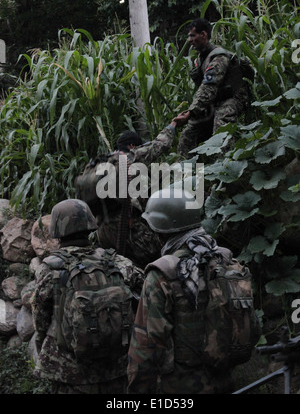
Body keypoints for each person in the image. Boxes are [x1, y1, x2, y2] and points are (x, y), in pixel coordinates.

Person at [127, 189, 259, 394]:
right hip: (225, 383)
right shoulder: (226, 261)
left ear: (160, 231)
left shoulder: (162, 274)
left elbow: (145, 351)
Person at [31, 199, 144, 394]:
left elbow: (40, 315)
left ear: (57, 230)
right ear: (90, 224)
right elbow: (143, 294)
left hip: (69, 371)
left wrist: (42, 343)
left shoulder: (51, 268)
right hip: (117, 368)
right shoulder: (117, 261)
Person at [75, 120, 180, 268]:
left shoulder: (100, 163)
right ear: (132, 146)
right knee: (163, 254)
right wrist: (173, 125)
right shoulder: (127, 160)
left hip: (104, 233)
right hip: (125, 233)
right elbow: (159, 145)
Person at [174, 18, 250, 158]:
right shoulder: (200, 60)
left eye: (192, 35)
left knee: (221, 125)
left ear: (203, 34)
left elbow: (208, 88)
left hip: (233, 98)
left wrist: (191, 112)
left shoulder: (218, 57)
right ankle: (186, 173)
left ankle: (225, 168)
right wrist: (192, 114)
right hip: (214, 101)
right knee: (189, 133)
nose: (189, 40)